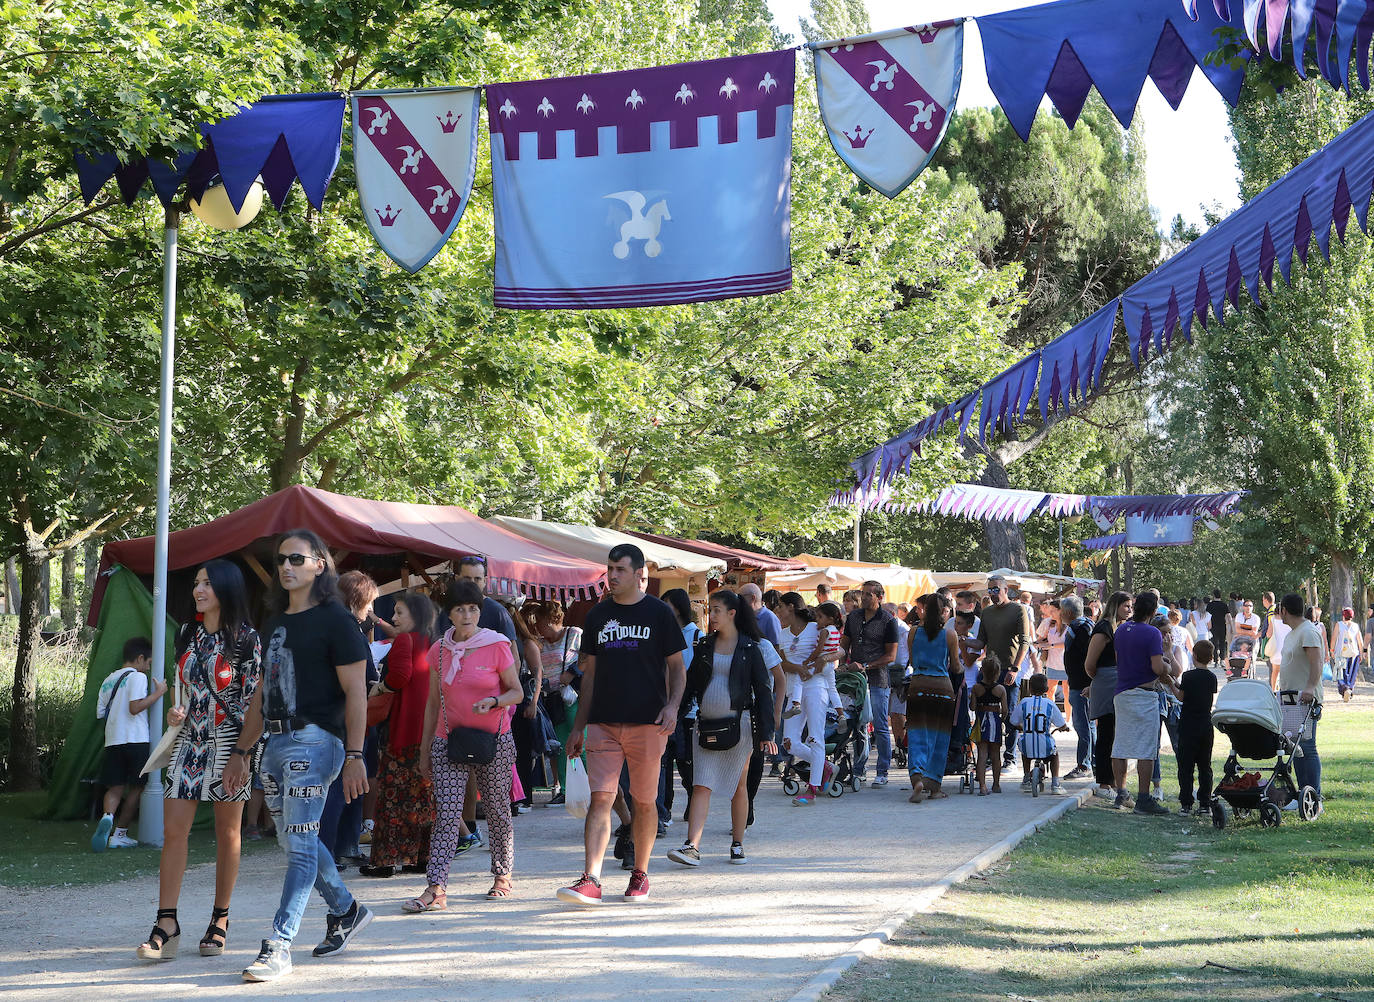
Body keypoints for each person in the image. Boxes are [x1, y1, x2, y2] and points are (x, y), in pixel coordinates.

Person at [223, 530, 372, 982]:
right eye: (281, 560)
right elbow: (260, 695)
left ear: (319, 565)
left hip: (316, 742)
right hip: (273, 744)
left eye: (296, 559)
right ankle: (347, 911)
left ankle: (279, 943)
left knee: (299, 843)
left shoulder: (337, 620)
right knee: (296, 841)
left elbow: (356, 694)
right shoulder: (273, 621)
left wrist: (354, 754)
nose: (286, 566)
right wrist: (242, 751)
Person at [137, 560, 261, 961]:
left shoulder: (247, 639)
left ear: (226, 587)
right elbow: (183, 686)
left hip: (231, 744)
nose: (198, 590)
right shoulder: (186, 632)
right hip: (189, 743)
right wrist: (177, 710)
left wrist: (241, 755)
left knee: (228, 833)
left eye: (206, 583)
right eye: (196, 583)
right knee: (174, 832)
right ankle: (166, 924)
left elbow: (251, 703)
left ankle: (220, 919)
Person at [558, 544, 687, 906]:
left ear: (637, 573)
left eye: (619, 569)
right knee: (601, 798)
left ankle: (641, 875)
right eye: (609, 568)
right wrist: (579, 726)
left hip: (649, 723)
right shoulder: (598, 616)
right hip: (603, 723)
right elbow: (590, 675)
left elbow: (678, 669)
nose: (612, 575)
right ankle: (591, 878)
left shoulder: (660, 614)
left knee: (643, 802)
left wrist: (673, 707)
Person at [405, 580, 523, 910]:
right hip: (448, 741)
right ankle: (436, 888)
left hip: (494, 741)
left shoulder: (498, 645)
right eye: (460, 609)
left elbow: (517, 691)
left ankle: (502, 876)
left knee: (499, 810)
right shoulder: (439, 651)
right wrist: (426, 747)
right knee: (447, 814)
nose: (467, 615)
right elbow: (432, 704)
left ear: (480, 612)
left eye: (473, 609)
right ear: (450, 614)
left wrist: (495, 700)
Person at [667, 590, 780, 867]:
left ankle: (737, 843)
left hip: (740, 728)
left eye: (717, 610)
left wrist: (767, 734)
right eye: (711, 609)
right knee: (700, 784)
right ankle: (692, 846)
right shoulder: (704, 645)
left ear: (732, 613)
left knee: (738, 787)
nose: (712, 615)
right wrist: (674, 716)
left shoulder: (751, 649)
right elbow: (691, 686)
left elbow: (763, 691)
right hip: (704, 726)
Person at [361, 591, 435, 877]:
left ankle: (386, 861)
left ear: (415, 615)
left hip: (404, 730)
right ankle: (420, 858)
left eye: (399, 612)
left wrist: (379, 687)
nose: (393, 618)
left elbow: (400, 676)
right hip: (427, 731)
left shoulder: (406, 640)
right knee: (422, 797)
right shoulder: (432, 641)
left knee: (393, 795)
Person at [319, 571, 383, 871]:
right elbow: (363, 679)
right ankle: (330, 853)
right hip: (343, 721)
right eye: (368, 603)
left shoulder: (343, 628)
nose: (371, 611)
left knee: (354, 788)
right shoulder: (343, 629)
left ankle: (345, 847)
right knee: (339, 790)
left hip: (352, 719)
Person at [95, 637, 161, 854]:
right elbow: (135, 708)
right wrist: (158, 694)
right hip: (136, 739)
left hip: (113, 740)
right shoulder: (138, 677)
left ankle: (107, 817)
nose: (148, 666)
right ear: (140, 658)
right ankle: (119, 834)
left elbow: (100, 713)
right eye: (148, 662)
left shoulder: (108, 680)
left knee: (115, 787)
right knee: (137, 788)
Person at [1111, 591, 1172, 816]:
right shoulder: (1152, 633)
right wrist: (1166, 666)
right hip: (1144, 693)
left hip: (1122, 691)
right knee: (1147, 748)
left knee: (1121, 743)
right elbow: (1157, 668)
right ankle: (1144, 799)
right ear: (1154, 610)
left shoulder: (1121, 630)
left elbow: (1119, 660)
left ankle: (1121, 792)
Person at [904, 593, 961, 803]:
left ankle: (917, 777)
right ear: (944, 612)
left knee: (918, 734)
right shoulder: (950, 635)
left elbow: (912, 660)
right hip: (942, 689)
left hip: (918, 686)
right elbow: (955, 666)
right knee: (939, 738)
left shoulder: (912, 633)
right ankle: (934, 786)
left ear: (925, 611)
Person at [840, 581, 899, 787]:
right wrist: (840, 665)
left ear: (879, 597)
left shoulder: (888, 621)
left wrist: (866, 665)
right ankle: (859, 769)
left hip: (878, 679)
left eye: (868, 594)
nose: (864, 597)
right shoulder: (853, 618)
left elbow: (891, 656)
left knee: (881, 725)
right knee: (858, 724)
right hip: (855, 680)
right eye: (863, 594)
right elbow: (844, 645)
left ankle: (882, 770)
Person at [775, 592, 827, 805]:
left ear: (791, 607)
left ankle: (812, 789)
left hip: (816, 687)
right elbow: (780, 662)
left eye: (780, 606)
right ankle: (823, 766)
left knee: (815, 736)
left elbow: (833, 652)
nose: (777, 611)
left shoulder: (817, 629)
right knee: (789, 743)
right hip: (793, 691)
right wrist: (797, 668)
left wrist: (815, 667)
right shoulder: (782, 633)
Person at [979, 575, 1033, 770]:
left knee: (1009, 714)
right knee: (984, 713)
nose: (993, 594)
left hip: (1009, 669)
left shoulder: (1018, 609)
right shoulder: (986, 613)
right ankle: (987, 757)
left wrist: (1015, 668)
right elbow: (980, 642)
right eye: (990, 590)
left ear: (1006, 589)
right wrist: (961, 640)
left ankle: (1010, 757)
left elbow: (1025, 642)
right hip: (989, 671)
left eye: (996, 590)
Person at [1085, 591, 1131, 803]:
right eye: (1126, 606)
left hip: (1118, 682)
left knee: (1116, 733)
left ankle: (1113, 781)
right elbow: (1090, 664)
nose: (1130, 610)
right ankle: (1104, 781)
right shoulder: (1104, 628)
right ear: (1115, 606)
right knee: (1106, 732)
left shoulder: (1120, 628)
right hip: (1106, 681)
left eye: (1131, 606)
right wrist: (1100, 681)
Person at [533, 601, 582, 802]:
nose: (538, 627)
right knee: (559, 745)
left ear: (552, 620)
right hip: (553, 698)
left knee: (580, 742)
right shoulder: (540, 642)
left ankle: (588, 785)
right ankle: (565, 789)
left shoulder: (575, 634)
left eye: (541, 623)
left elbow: (589, 656)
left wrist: (572, 672)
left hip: (573, 696)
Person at [661, 589, 702, 823]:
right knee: (664, 762)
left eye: (666, 603)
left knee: (687, 764)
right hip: (667, 707)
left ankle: (692, 800)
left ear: (677, 606)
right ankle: (665, 808)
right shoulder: (664, 633)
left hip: (690, 710)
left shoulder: (697, 635)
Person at [1279, 593, 1324, 798]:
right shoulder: (1292, 633)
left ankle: (1314, 796)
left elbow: (1317, 663)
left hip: (1305, 699)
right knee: (1294, 747)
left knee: (1307, 746)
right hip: (1290, 700)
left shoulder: (1308, 631)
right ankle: (1301, 795)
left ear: (1284, 610)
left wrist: (1310, 688)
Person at [505, 600, 546, 814]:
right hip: (507, 702)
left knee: (522, 752)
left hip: (522, 703)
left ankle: (524, 797)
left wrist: (533, 703)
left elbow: (538, 674)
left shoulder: (527, 643)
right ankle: (514, 797)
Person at [1175, 638, 1218, 816]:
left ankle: (1186, 803)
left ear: (1193, 655)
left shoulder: (1188, 676)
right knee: (1204, 766)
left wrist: (1171, 684)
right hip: (1205, 725)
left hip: (1188, 725)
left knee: (1186, 766)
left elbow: (1181, 696)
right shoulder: (1212, 677)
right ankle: (1205, 803)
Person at [1010, 673, 1069, 795]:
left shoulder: (1024, 702)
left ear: (1029, 689)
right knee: (1054, 755)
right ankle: (1055, 783)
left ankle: (1026, 778)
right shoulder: (1050, 704)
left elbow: (1013, 721)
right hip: (1045, 746)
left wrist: (1022, 727)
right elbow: (1061, 723)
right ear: (1047, 689)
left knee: (1024, 748)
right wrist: (1064, 728)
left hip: (1028, 746)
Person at [1059, 596, 1094, 780]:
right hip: (1081, 683)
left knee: (1083, 726)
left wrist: (1088, 682)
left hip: (1082, 685)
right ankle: (1090, 762)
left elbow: (1087, 656)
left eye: (1061, 611)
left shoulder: (1080, 629)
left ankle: (1084, 764)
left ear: (1068, 613)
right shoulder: (1084, 626)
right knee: (1088, 725)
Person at [970, 654, 1007, 795]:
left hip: (981, 722)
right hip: (994, 722)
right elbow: (1005, 710)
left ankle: (983, 786)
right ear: (998, 672)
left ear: (982, 671)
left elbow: (972, 707)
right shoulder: (1001, 689)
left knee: (982, 754)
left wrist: (973, 699)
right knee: (996, 755)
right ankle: (996, 785)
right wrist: (1001, 721)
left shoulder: (976, 688)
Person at [886, 601, 911, 758]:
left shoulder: (902, 629)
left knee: (899, 711)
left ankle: (902, 745)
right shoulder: (889, 627)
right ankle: (900, 746)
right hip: (891, 673)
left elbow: (907, 653)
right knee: (895, 713)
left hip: (902, 674)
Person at [1036, 598, 1068, 709]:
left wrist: (1051, 646)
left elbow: (1068, 643)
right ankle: (1052, 714)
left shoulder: (1069, 625)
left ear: (1061, 611)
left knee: (1067, 692)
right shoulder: (1049, 624)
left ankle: (1068, 720)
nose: (1050, 613)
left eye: (1053, 610)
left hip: (1066, 663)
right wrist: (1034, 643)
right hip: (1052, 662)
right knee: (1050, 691)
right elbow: (1042, 638)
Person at [1332, 607, 1365, 701]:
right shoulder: (1356, 626)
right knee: (1351, 674)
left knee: (1341, 674)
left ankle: (1344, 689)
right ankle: (1349, 690)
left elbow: (1334, 639)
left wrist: (1331, 650)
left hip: (1341, 653)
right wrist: (1362, 653)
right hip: (1354, 653)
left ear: (1343, 615)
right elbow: (1360, 641)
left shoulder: (1339, 625)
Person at [742, 583, 781, 647]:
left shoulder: (770, 618)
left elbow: (777, 646)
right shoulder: (744, 616)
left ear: (752, 598)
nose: (739, 600)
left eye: (741, 597)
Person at [1206, 590, 1231, 668]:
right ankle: (1222, 660)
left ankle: (1216, 661)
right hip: (1222, 626)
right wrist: (1229, 624)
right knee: (1222, 643)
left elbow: (1207, 616)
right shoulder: (1224, 605)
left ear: (1214, 595)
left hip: (1213, 626)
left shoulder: (1210, 605)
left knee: (1214, 643)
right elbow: (1228, 616)